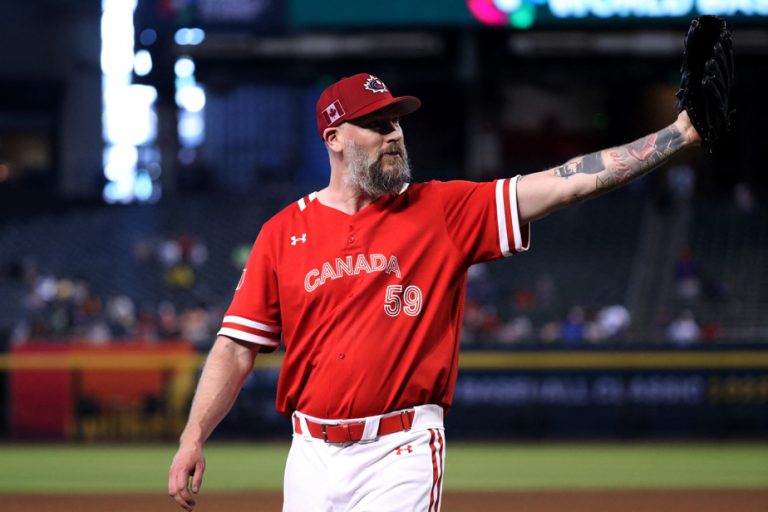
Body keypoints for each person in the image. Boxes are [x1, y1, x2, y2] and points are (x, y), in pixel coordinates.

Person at [169, 72, 702, 511]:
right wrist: (192, 437)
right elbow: (236, 347)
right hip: (308, 455)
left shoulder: (439, 210)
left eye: (396, 121)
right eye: (376, 124)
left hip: (399, 450)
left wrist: (678, 134)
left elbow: (567, 181)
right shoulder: (282, 233)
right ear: (332, 138)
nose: (394, 133)